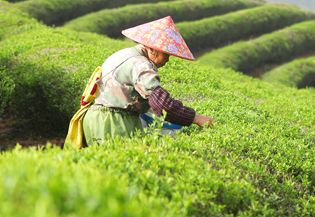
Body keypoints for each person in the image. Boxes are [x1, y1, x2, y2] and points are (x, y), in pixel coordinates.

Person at [81, 16, 215, 146]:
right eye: (166, 54)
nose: (167, 60)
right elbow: (162, 103)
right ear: (152, 49)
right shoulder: (141, 65)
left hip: (96, 119)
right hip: (114, 124)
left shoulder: (126, 54)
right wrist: (196, 118)